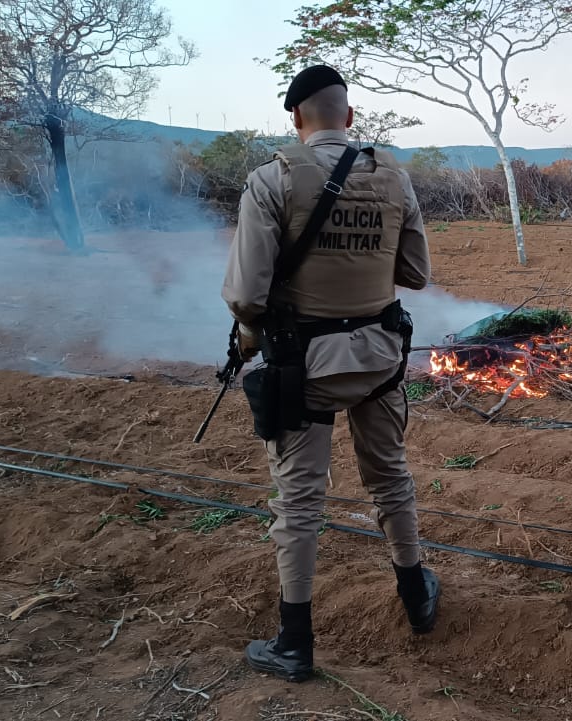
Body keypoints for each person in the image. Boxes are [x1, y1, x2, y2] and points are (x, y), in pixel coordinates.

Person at [221, 64, 437, 681]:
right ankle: (417, 598)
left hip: (303, 369)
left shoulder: (272, 180)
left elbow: (245, 295)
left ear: (297, 120)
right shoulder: (395, 179)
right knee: (390, 477)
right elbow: (416, 274)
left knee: (298, 501)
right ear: (348, 116)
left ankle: (295, 643)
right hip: (378, 362)